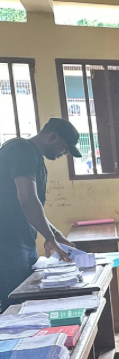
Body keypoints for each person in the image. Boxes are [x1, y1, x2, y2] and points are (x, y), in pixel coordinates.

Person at [0, 119, 82, 309]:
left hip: (21, 240)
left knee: (27, 302)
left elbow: (31, 207)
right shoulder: (22, 150)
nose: (65, 153)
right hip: (7, 243)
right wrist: (48, 236)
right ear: (53, 137)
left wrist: (56, 235)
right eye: (65, 147)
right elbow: (27, 200)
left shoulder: (33, 156)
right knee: (16, 306)